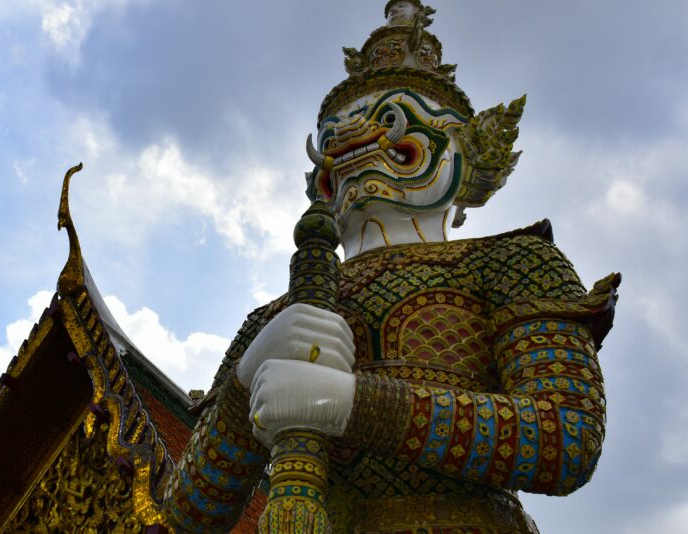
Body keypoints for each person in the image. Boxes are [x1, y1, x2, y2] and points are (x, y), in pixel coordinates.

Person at [159, 3, 618, 532]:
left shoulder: (511, 262)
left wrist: (353, 406)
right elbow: (189, 512)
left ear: (466, 156)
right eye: (335, 137)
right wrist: (245, 384)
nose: (355, 140)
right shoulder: (272, 319)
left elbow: (566, 437)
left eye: (391, 120)